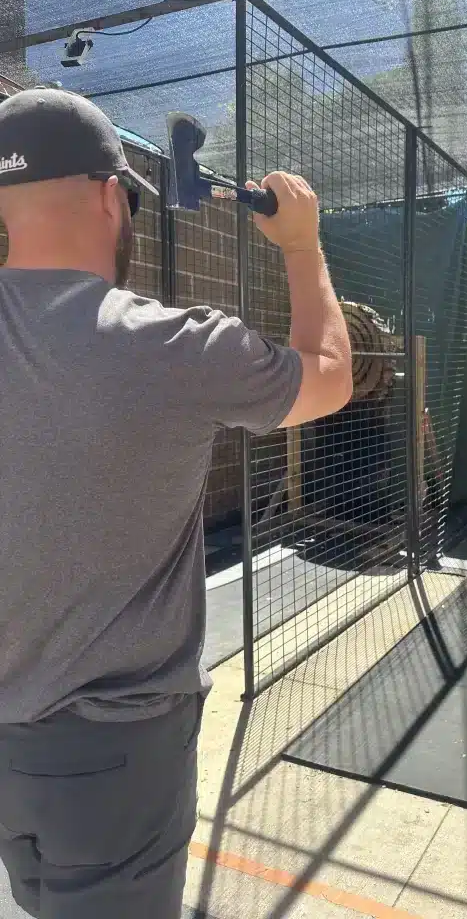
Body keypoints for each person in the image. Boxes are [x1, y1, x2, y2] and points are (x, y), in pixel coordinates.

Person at [0, 88, 352, 919]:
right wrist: (302, 247)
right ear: (108, 194)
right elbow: (331, 375)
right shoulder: (176, 346)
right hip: (116, 755)